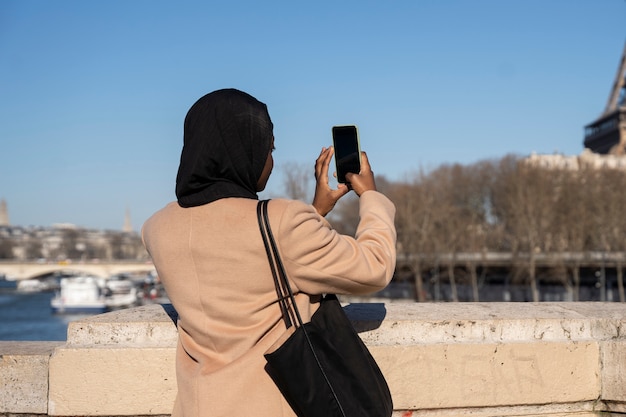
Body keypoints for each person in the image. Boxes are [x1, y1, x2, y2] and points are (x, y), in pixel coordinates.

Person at [142, 88, 396, 417]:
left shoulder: (157, 228)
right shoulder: (281, 221)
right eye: (269, 148)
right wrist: (371, 197)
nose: (271, 160)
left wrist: (315, 212)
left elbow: (243, 262)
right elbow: (374, 267)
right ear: (244, 148)